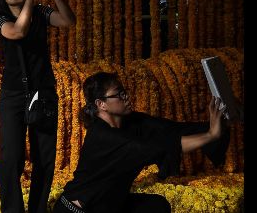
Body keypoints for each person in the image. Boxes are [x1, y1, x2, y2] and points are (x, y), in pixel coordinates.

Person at [53, 72, 230, 213]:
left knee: (157, 206)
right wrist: (211, 135)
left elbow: (171, 130)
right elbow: (159, 147)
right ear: (101, 104)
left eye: (125, 91)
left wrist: (219, 122)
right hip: (78, 209)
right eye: (119, 94)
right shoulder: (103, 136)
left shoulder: (132, 122)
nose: (126, 97)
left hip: (110, 205)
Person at [0, 0, 76, 213]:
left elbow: (69, 21)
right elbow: (19, 31)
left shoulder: (40, 12)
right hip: (14, 95)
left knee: (44, 158)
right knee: (12, 157)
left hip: (43, 92)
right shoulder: (0, 20)